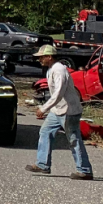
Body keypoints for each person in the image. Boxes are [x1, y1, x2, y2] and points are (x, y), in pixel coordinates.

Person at [26, 43, 93, 180]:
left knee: (74, 139)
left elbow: (58, 93)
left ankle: (84, 170)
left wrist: (44, 108)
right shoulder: (51, 69)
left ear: (49, 57)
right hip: (58, 110)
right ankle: (43, 164)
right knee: (45, 132)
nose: (39, 60)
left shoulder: (59, 70)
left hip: (69, 110)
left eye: (41, 57)